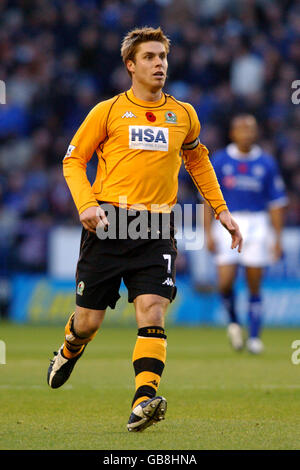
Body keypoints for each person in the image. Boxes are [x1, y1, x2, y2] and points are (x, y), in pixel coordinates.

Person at [47, 27, 242, 432]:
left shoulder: (184, 114)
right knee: (88, 322)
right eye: (150, 57)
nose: (159, 64)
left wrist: (221, 211)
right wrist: (85, 204)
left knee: (152, 310)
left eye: (163, 57)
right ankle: (69, 348)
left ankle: (143, 401)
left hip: (157, 226)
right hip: (108, 223)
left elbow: (199, 163)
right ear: (131, 65)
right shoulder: (108, 111)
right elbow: (73, 160)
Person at [204, 114, 287, 354]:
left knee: (254, 283)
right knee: (225, 282)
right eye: (242, 129)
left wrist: (278, 238)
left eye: (250, 129)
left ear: (256, 132)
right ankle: (233, 323)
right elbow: (207, 199)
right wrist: (207, 232)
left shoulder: (267, 163)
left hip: (257, 223)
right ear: (233, 133)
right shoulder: (219, 161)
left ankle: (254, 337)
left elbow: (276, 203)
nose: (247, 133)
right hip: (226, 221)